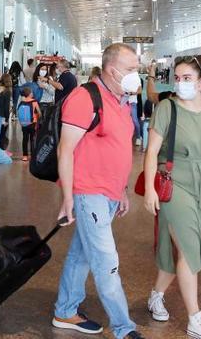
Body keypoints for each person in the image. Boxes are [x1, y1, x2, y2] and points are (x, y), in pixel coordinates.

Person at [52, 43, 144, 339]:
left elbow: (117, 150)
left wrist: (123, 190)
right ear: (111, 69)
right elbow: (64, 151)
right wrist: (68, 198)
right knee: (106, 261)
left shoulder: (122, 99)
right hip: (87, 191)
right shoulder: (84, 98)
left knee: (81, 255)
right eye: (131, 69)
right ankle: (124, 327)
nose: (136, 75)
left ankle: (65, 310)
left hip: (109, 193)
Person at [143, 55, 201, 339]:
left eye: (187, 78)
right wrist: (152, 190)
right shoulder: (167, 108)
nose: (181, 83)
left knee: (180, 247)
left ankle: (156, 294)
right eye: (177, 78)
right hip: (173, 181)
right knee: (190, 247)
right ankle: (195, 318)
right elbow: (152, 151)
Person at [17, 86, 41, 161]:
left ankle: (25, 156)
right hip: (32, 123)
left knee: (25, 139)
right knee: (32, 139)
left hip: (24, 123)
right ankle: (33, 155)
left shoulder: (21, 102)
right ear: (30, 94)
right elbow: (39, 113)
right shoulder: (34, 102)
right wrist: (39, 118)